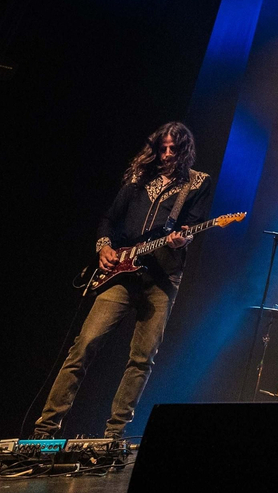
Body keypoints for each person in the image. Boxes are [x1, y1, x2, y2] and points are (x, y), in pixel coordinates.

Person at [34, 122, 213, 440]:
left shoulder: (197, 183)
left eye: (174, 149)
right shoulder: (138, 178)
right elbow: (109, 219)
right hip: (120, 274)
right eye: (163, 148)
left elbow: (191, 226)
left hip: (162, 278)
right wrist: (104, 246)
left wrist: (180, 239)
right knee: (84, 345)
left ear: (185, 151)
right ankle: (46, 428)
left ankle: (113, 436)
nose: (167, 154)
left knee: (142, 357)